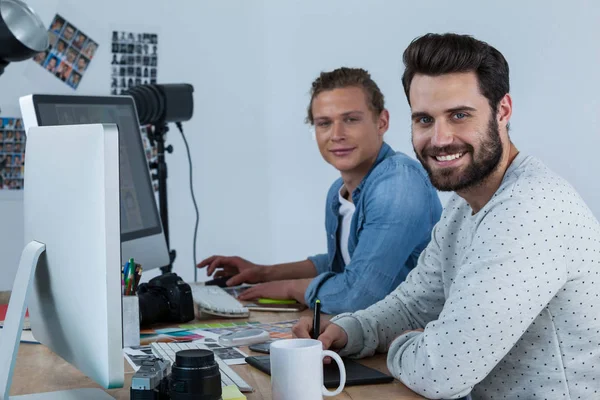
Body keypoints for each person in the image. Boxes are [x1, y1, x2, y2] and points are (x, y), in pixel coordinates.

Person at [293, 33, 600, 399]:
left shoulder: (530, 210)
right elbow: (415, 303)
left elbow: (441, 372)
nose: (440, 139)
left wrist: (405, 344)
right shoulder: (463, 200)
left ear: (502, 111)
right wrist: (349, 331)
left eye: (459, 115)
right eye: (424, 119)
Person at [197, 67, 443, 314]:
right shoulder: (338, 192)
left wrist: (289, 288)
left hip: (415, 340)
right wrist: (264, 273)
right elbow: (348, 263)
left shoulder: (398, 184)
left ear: (382, 122)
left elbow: (358, 295)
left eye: (351, 119)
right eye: (324, 123)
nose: (336, 135)